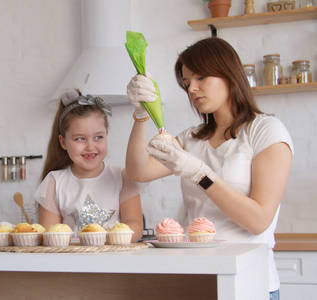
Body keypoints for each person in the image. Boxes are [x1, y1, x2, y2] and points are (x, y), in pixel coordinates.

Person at [125, 37, 293, 299]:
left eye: (201, 77)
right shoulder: (192, 138)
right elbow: (139, 171)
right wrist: (140, 115)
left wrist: (199, 174)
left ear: (229, 74)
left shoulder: (266, 131)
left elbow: (258, 220)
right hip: (193, 279)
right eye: (187, 82)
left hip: (247, 283)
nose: (192, 88)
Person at [36, 89, 143, 241]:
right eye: (80, 139)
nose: (90, 146)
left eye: (98, 137)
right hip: (71, 262)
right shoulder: (54, 182)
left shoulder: (123, 177)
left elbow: (135, 225)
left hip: (114, 260)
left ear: (107, 135)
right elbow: (50, 235)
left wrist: (104, 238)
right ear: (63, 142)